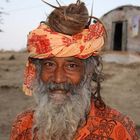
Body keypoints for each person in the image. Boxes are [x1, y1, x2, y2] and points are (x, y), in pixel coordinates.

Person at [10, 0, 138, 140]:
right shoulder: (22, 126)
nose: (58, 78)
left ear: (88, 72)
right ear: (37, 70)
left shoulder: (118, 130)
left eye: (71, 66)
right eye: (49, 65)